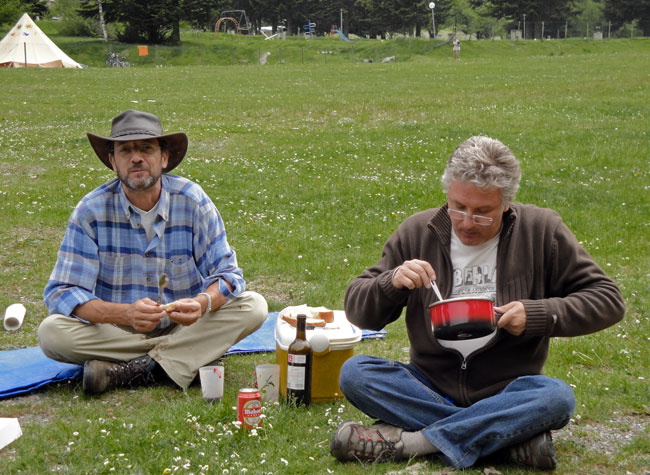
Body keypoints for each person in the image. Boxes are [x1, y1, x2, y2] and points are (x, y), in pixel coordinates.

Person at [329, 136, 625, 470]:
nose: (467, 223)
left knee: (556, 398)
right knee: (355, 374)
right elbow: (359, 312)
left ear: (506, 203)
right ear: (448, 193)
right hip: (428, 386)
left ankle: (414, 443)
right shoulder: (417, 232)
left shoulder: (541, 230)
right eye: (458, 207)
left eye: (483, 213)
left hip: (508, 391)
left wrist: (536, 314)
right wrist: (392, 281)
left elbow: (607, 298)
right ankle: (504, 438)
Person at [39, 110, 267, 395]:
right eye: (125, 150)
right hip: (118, 332)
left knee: (254, 306)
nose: (136, 158)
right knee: (51, 333)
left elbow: (229, 276)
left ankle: (137, 369)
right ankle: (185, 358)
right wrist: (126, 314)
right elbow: (62, 292)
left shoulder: (192, 200)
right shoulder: (91, 210)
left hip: (184, 327)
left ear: (164, 158)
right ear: (113, 162)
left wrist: (202, 303)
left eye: (146, 148)